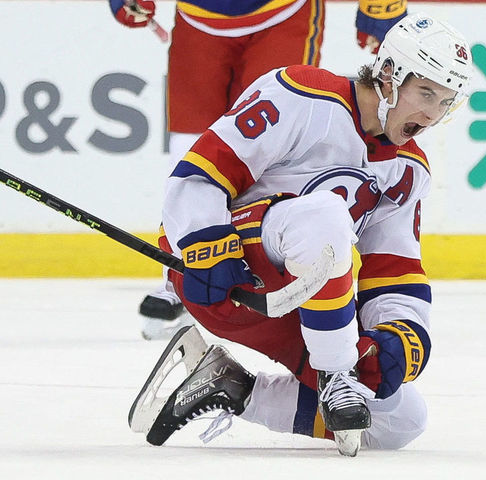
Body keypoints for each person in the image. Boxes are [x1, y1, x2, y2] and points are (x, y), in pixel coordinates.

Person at [128, 13, 473, 456]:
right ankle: (336, 377)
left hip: (306, 307)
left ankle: (232, 386)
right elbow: (200, 173)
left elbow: (396, 270)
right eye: (426, 92)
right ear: (389, 75)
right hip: (221, 274)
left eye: (446, 102)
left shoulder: (409, 170)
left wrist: (402, 334)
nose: (432, 114)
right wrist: (204, 244)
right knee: (326, 219)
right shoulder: (301, 93)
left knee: (399, 421)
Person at [108, 0, 409, 340]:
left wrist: (381, 6)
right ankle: (179, 268)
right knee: (192, 145)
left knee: (281, 138)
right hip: (199, 13)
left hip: (283, 11)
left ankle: (278, 266)